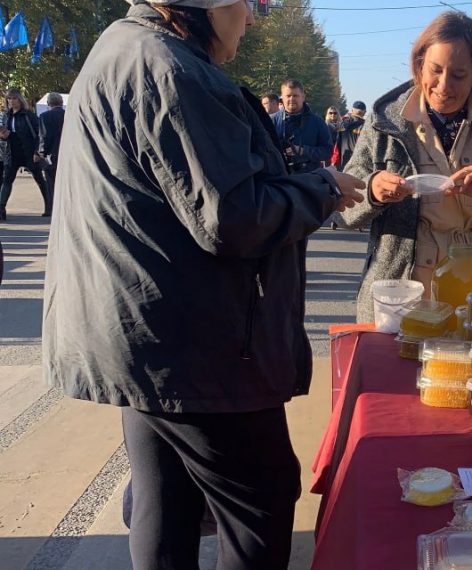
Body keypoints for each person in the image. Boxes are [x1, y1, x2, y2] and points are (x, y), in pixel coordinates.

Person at [41, 1, 366, 567]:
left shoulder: (127, 47)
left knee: (164, 502)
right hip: (193, 350)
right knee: (259, 500)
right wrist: (322, 188)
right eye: (251, 4)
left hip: (146, 338)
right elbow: (234, 217)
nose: (255, 19)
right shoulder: (172, 69)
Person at [340, 11, 472, 323]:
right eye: (435, 70)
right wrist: (372, 190)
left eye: (458, 75)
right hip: (398, 302)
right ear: (418, 65)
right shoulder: (385, 122)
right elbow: (344, 208)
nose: (443, 86)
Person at [0, 88, 51, 220]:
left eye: (13, 98)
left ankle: (49, 207)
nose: (11, 101)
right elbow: (5, 134)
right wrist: (3, 136)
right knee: (7, 180)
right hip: (12, 153)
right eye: (9, 98)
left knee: (39, 179)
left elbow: (39, 135)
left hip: (29, 152)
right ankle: (1, 209)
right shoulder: (6, 115)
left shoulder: (29, 115)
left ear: (20, 100)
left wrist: (37, 152)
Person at [272, 78, 333, 173]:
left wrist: (303, 151)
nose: (291, 99)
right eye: (288, 96)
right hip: (279, 177)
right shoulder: (271, 122)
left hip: (310, 178)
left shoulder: (317, 122)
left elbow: (328, 152)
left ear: (303, 97)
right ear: (282, 98)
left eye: (295, 96)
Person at [37, 92, 67, 212]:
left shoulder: (44, 116)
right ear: (61, 102)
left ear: (48, 103)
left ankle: (54, 208)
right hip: (66, 152)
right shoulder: (68, 115)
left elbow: (44, 136)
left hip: (51, 154)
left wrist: (41, 152)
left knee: (51, 183)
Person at [331, 100, 367, 171]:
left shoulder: (344, 122)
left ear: (352, 110)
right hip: (359, 162)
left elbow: (337, 129)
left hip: (343, 161)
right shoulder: (367, 126)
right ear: (365, 112)